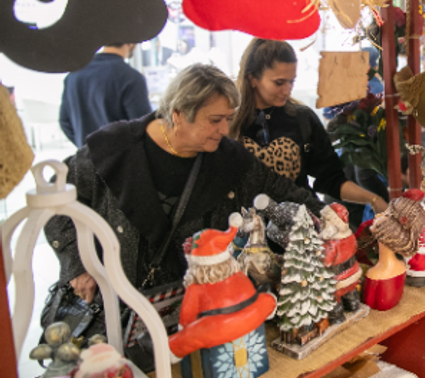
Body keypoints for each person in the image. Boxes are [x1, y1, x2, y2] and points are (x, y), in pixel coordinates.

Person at [45, 64, 326, 304]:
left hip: (193, 310)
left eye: (228, 119)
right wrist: (78, 265)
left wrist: (327, 216)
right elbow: (54, 202)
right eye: (215, 120)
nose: (225, 130)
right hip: (114, 308)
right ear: (178, 114)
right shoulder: (112, 149)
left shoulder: (228, 157)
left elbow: (281, 189)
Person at [231, 38, 389, 218]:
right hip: (243, 238)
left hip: (301, 236)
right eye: (279, 82)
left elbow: (332, 179)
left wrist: (374, 199)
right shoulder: (227, 125)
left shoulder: (302, 119)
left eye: (292, 81)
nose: (287, 90)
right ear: (252, 79)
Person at [59, 42, 152, 147]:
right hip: (120, 160)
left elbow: (65, 122)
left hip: (86, 160)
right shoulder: (131, 77)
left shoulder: (73, 75)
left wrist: (86, 149)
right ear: (130, 42)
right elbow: (143, 128)